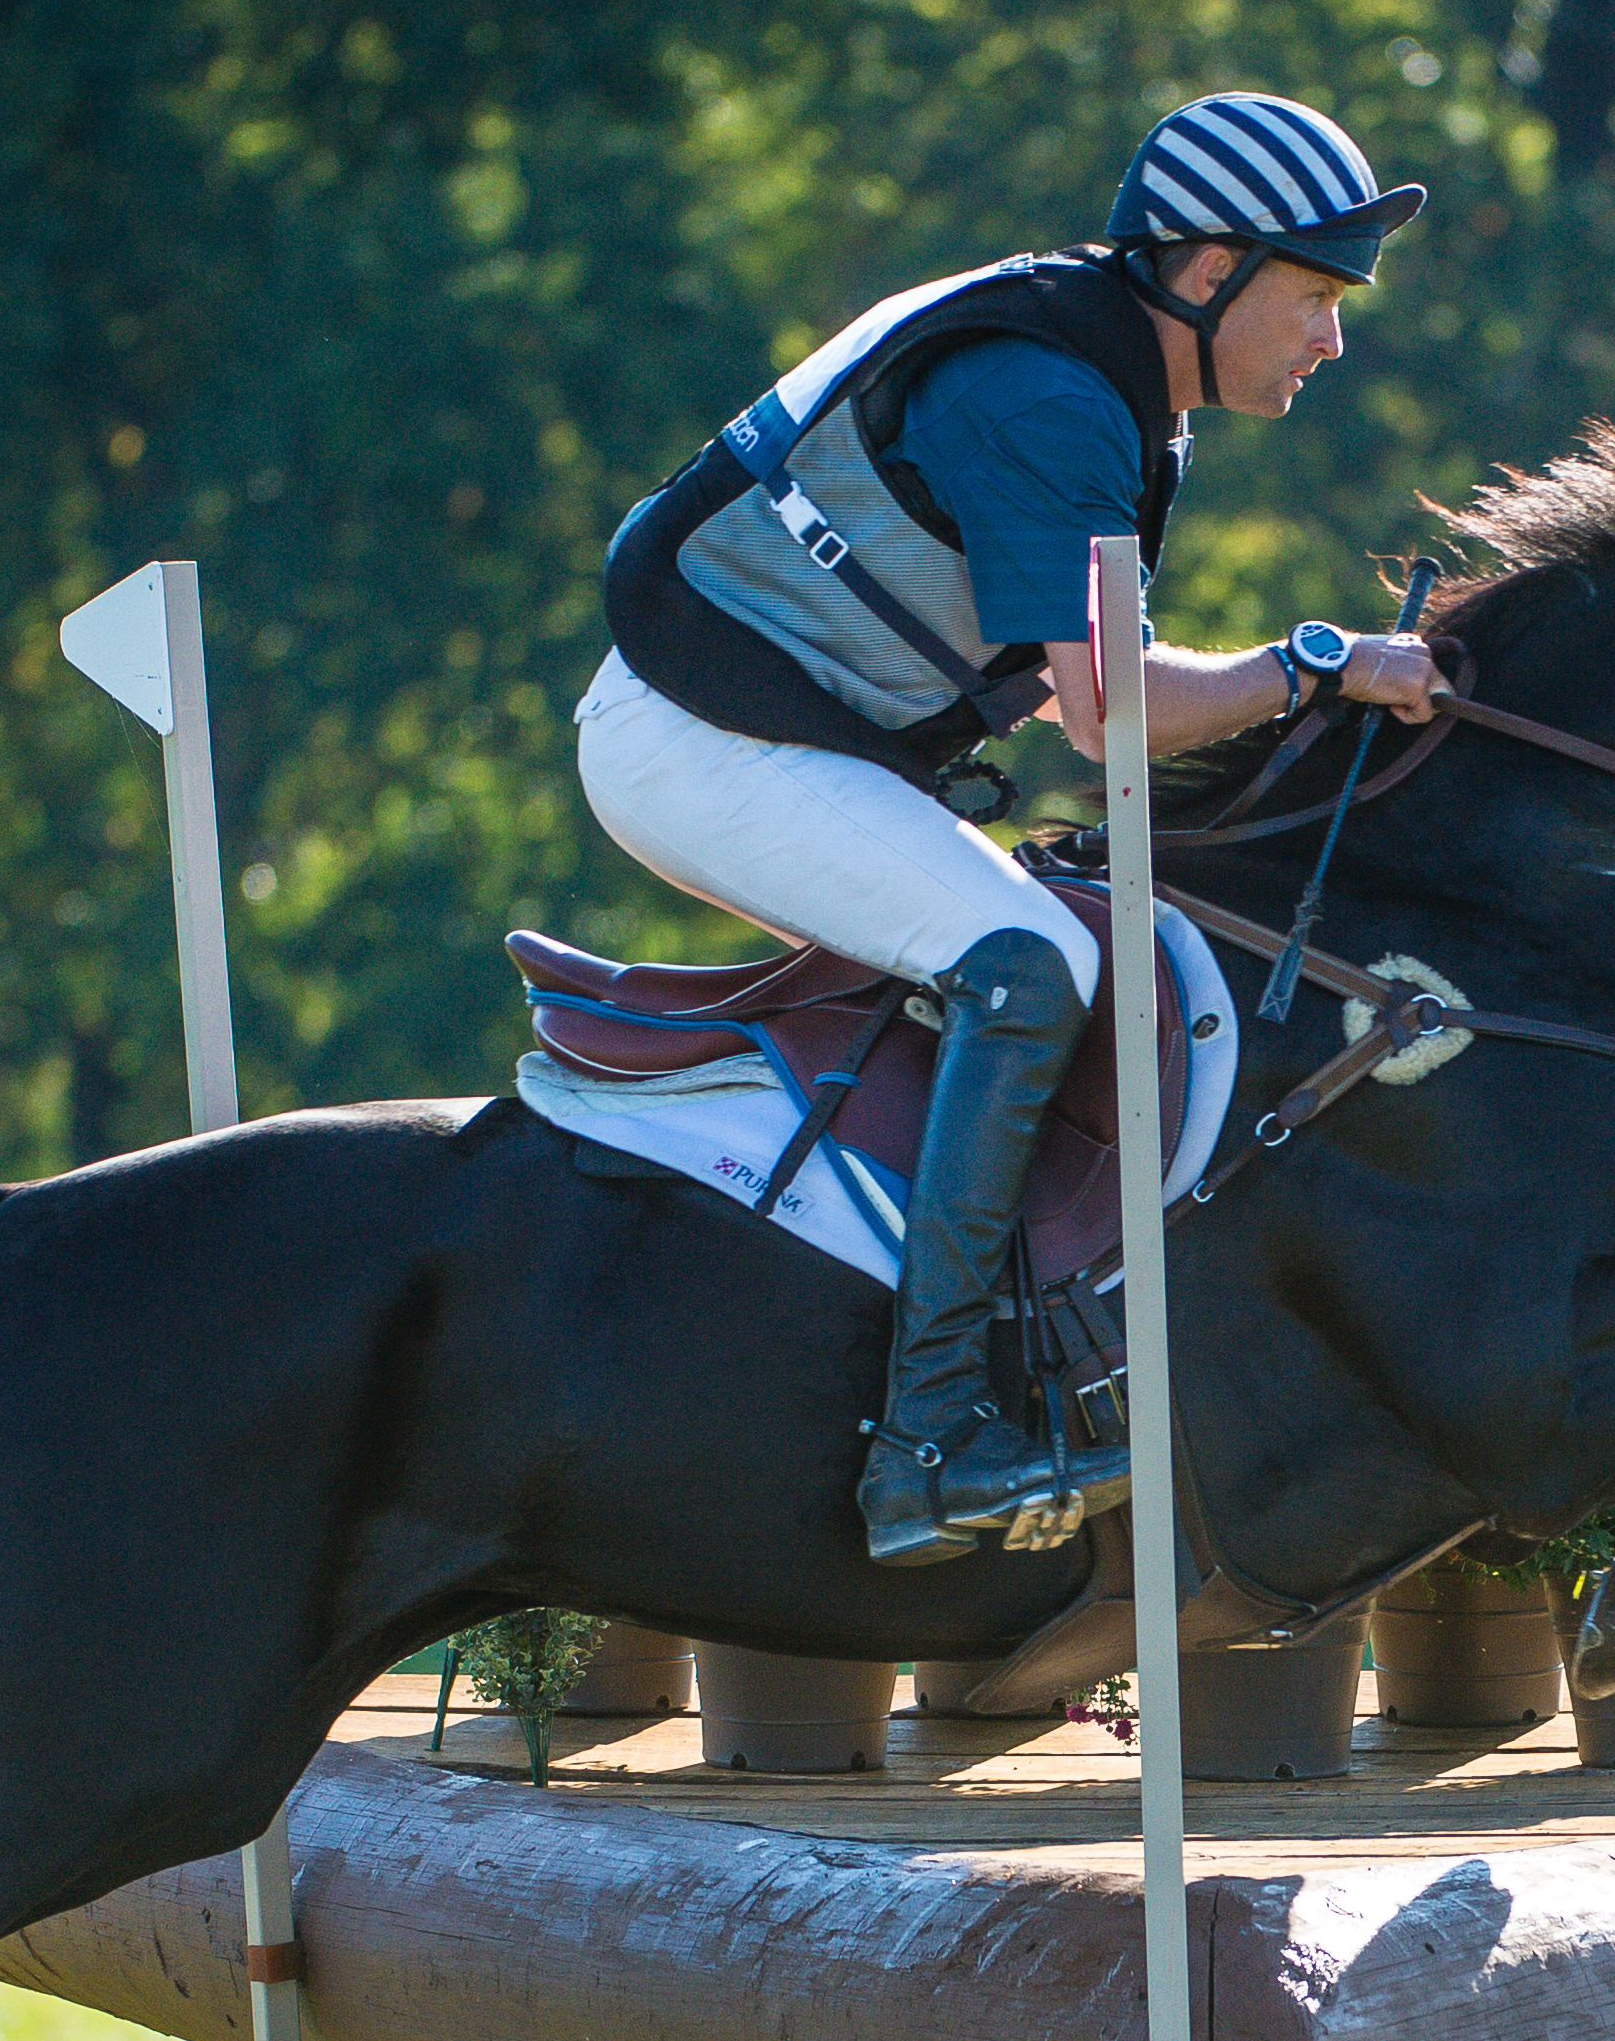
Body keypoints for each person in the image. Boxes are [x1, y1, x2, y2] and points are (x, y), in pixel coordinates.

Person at [586, 92, 1444, 1565]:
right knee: (1025, 962)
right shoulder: (1051, 395)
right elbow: (1106, 716)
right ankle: (928, 1436)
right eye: (1315, 294)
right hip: (696, 737)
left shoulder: (1104, 378)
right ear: (1205, 267)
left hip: (768, 731)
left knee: (1044, 937)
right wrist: (1318, 663)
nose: (1332, 339)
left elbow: (1081, 703)